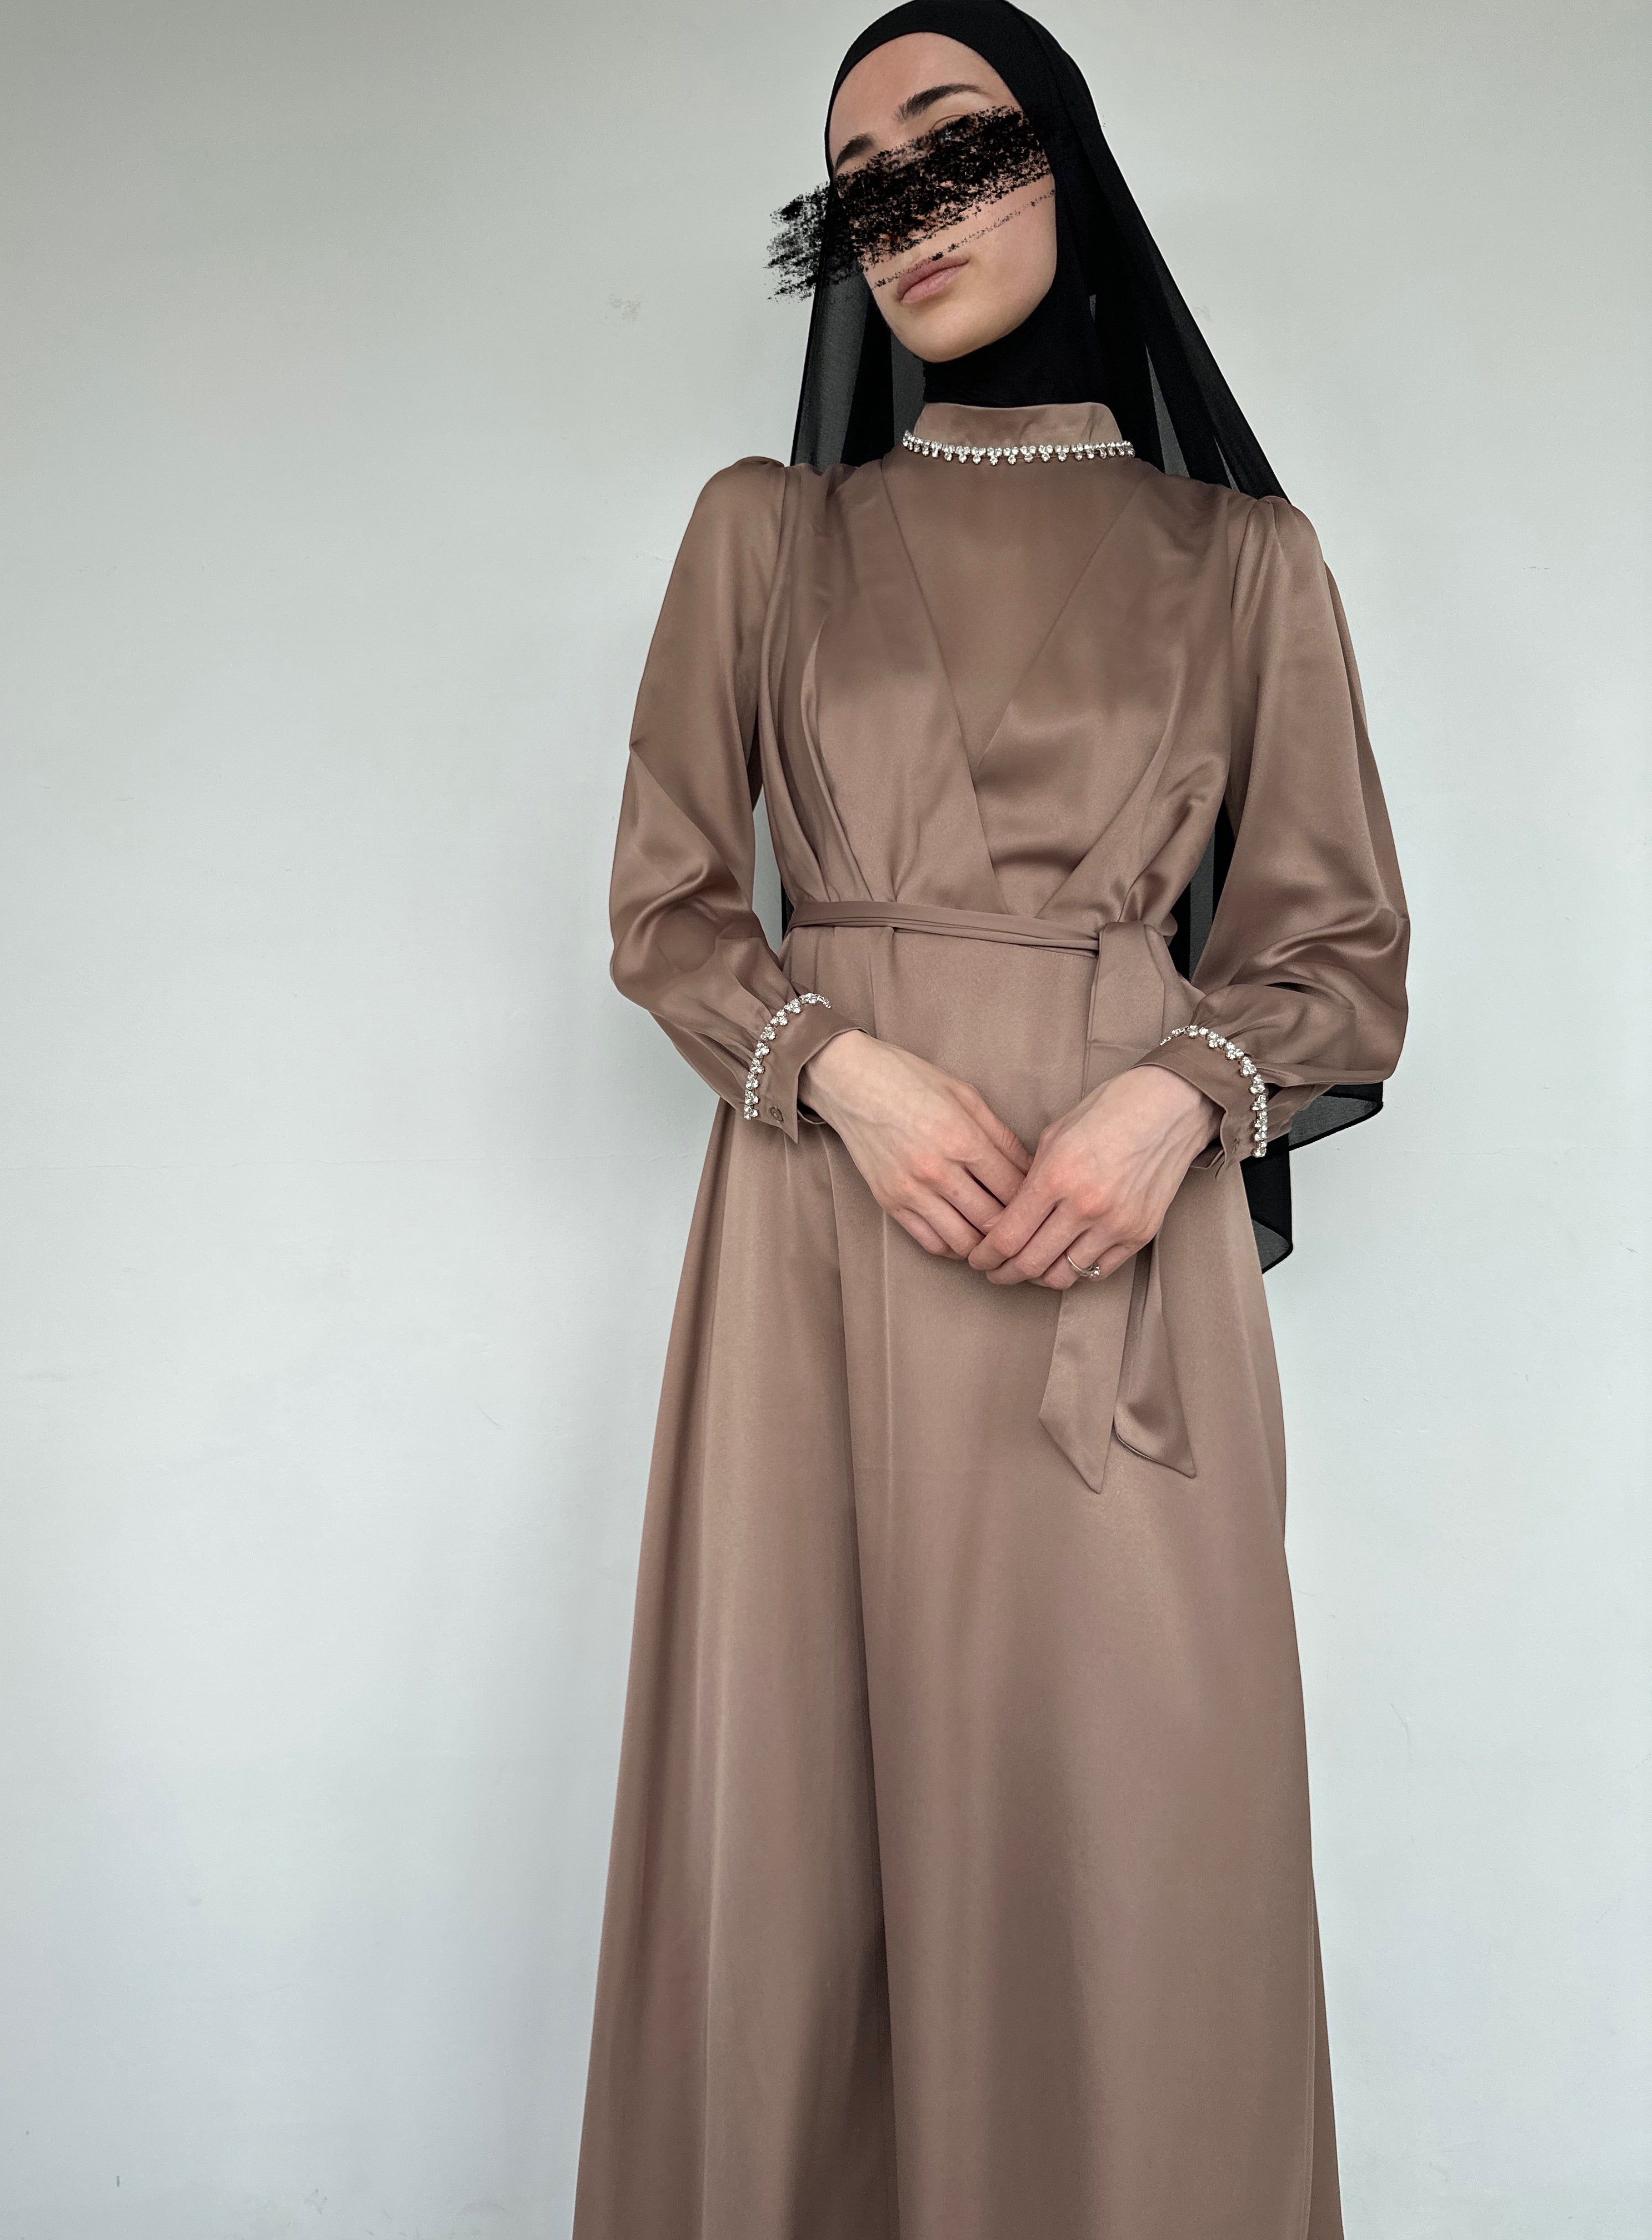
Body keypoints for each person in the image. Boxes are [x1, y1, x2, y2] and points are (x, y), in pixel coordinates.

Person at [573, 4, 1409, 2234]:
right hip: (819, 1258)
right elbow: (668, 906)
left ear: (1072, 166)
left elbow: (1338, 955)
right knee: (799, 1841)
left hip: (1120, 1287)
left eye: (952, 140)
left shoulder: (1247, 562)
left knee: (1146, 1843)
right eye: (861, 176)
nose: (906, 205)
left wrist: (1182, 1098)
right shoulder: (767, 536)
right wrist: (832, 1066)